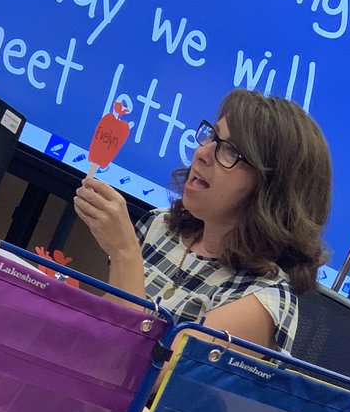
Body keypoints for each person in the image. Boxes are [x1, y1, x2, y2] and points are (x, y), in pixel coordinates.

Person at [73, 89, 332, 353]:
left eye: (230, 151)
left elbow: (144, 367)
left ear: (272, 189)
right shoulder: (160, 225)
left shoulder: (264, 298)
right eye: (211, 137)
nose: (202, 153)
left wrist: (124, 253)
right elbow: (100, 327)